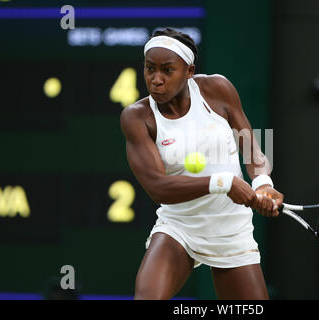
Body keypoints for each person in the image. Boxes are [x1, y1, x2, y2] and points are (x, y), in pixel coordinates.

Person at [120, 28, 284, 300]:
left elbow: (250, 145)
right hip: (179, 226)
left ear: (189, 71)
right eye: (150, 69)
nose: (156, 80)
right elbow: (158, 188)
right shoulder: (137, 117)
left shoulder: (217, 89)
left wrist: (263, 184)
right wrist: (224, 183)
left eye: (167, 70)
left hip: (230, 227)